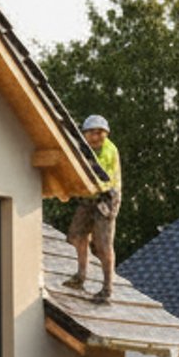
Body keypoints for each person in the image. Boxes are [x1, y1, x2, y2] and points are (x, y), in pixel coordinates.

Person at [64, 114, 123, 303]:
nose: (97, 138)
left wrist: (77, 184)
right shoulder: (85, 148)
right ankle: (81, 276)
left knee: (103, 245)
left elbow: (101, 178)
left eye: (100, 134)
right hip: (89, 197)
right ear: (85, 134)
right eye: (92, 134)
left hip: (106, 199)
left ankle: (107, 288)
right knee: (76, 235)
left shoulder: (108, 151)